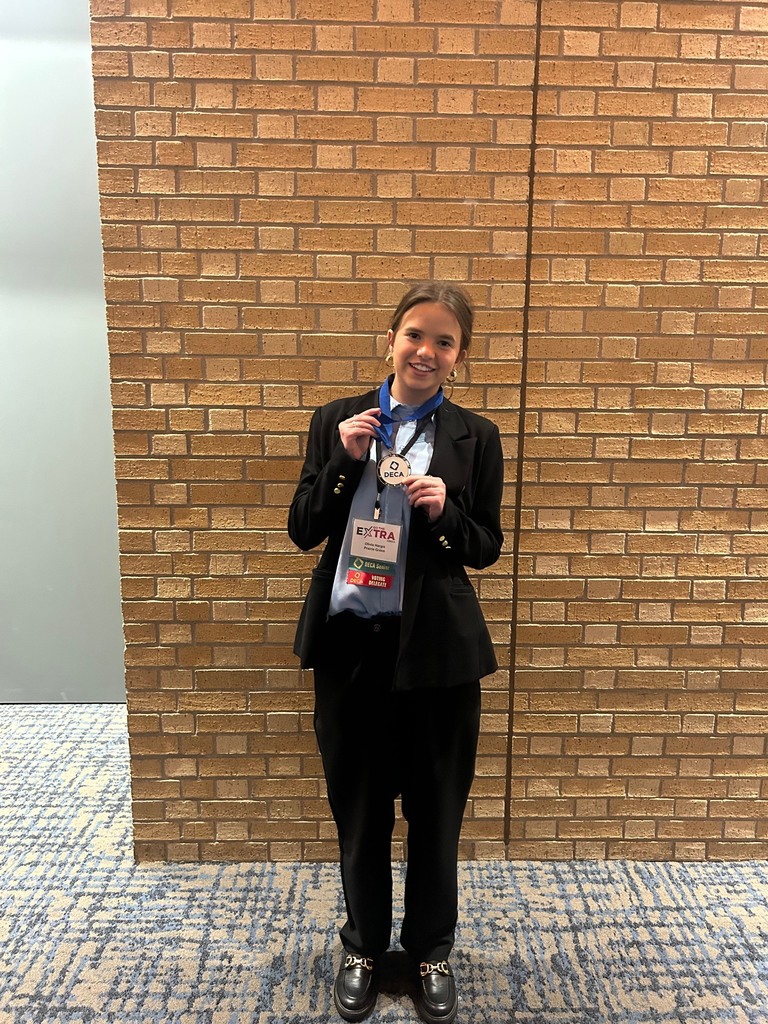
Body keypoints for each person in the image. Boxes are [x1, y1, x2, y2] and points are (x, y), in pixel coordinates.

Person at [288, 282, 504, 1024]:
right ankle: (363, 949)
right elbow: (303, 528)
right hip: (352, 652)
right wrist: (345, 461)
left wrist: (446, 515)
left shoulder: (476, 436)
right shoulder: (336, 422)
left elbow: (486, 546)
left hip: (439, 658)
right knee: (360, 814)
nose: (426, 351)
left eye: (445, 341)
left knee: (437, 816)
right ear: (390, 339)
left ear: (459, 356)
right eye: (415, 334)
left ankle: (431, 953)